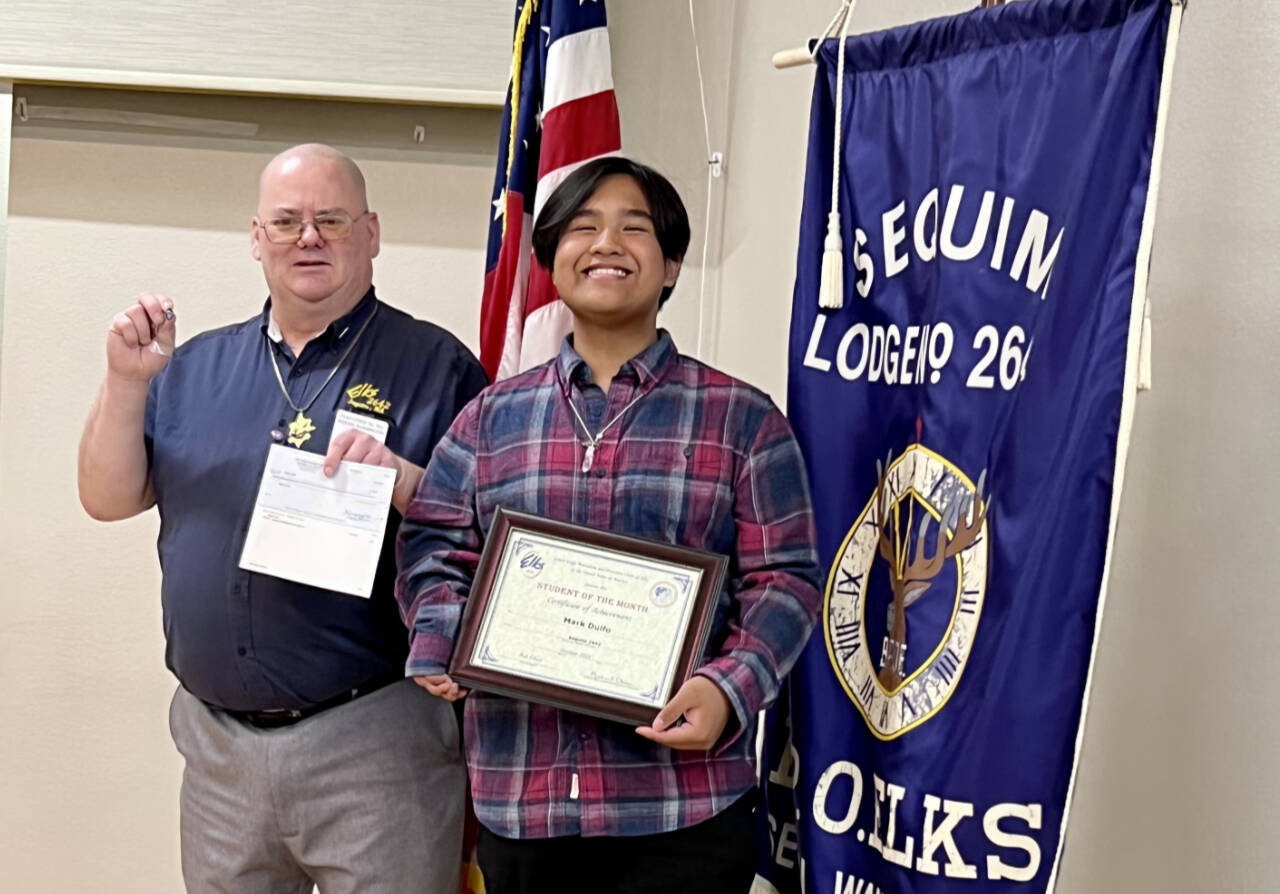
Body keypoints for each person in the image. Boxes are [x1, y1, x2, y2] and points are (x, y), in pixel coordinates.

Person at [396, 156, 822, 894]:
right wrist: (442, 636)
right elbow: (433, 544)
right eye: (583, 227)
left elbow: (785, 580)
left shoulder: (742, 419)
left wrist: (728, 688)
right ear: (551, 259)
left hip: (680, 809)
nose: (606, 245)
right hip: (522, 798)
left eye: (634, 228)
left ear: (672, 266)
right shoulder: (491, 419)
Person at [77, 143, 486, 893]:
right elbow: (107, 497)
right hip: (217, 746)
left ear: (371, 234)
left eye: (331, 220)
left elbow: (488, 528)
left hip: (373, 741)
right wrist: (125, 382)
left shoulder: (437, 365)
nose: (309, 238)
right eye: (288, 221)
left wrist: (402, 478)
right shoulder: (193, 367)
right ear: (256, 238)